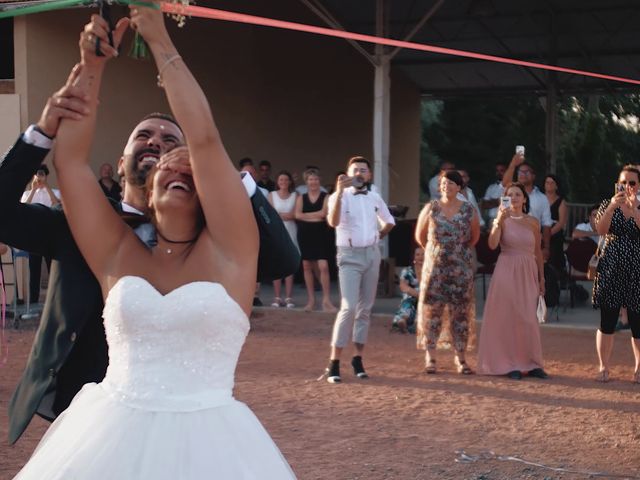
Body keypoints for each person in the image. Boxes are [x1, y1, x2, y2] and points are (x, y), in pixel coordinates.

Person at [14, 6, 296, 478]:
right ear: (146, 190)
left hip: (213, 442)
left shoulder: (232, 249)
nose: (177, 167)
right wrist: (92, 64)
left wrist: (161, 42)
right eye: (166, 166)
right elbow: (73, 164)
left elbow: (204, 138)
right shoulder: (117, 252)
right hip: (106, 431)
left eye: (188, 166)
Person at [322, 156, 395, 383]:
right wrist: (339, 192)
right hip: (349, 255)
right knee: (349, 307)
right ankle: (334, 363)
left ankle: (357, 359)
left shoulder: (374, 197)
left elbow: (389, 221)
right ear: (348, 173)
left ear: (369, 175)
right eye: (356, 170)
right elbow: (333, 222)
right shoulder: (338, 196)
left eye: (363, 170)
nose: (360, 173)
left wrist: (377, 236)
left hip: (372, 254)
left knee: (365, 309)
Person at [476, 182, 548, 380]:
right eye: (510, 195)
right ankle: (510, 364)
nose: (514, 198)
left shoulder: (533, 222)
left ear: (524, 199)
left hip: (529, 271)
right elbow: (492, 245)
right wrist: (498, 219)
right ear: (504, 199)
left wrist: (542, 278)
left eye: (518, 194)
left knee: (528, 318)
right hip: (507, 270)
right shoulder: (502, 219)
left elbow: (537, 252)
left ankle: (533, 364)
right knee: (510, 317)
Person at [415, 170, 480, 375]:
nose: (446, 186)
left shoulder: (469, 210)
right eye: (444, 183)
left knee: (460, 313)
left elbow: (474, 238)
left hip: (460, 268)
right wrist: (436, 251)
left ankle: (460, 358)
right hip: (435, 268)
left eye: (451, 183)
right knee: (432, 312)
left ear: (459, 187)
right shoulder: (431, 208)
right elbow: (420, 236)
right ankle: (430, 357)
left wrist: (456, 251)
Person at [592, 165, 640, 384]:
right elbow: (600, 230)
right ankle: (603, 366)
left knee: (638, 324)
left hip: (637, 271)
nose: (627, 187)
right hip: (612, 268)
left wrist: (635, 209)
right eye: (623, 182)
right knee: (607, 321)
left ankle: (639, 368)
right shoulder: (607, 204)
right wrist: (612, 207)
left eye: (632, 182)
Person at [295, 168, 336, 312]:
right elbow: (297, 215)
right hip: (305, 234)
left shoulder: (326, 197)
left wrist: (307, 215)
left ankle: (326, 300)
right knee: (307, 266)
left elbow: (324, 214)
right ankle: (311, 300)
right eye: (311, 179)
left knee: (323, 266)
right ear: (306, 182)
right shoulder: (301, 197)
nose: (313, 182)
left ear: (320, 181)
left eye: (316, 179)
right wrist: (314, 216)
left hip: (321, 234)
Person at [20, 164, 61, 303]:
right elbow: (23, 208)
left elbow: (57, 205)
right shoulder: (27, 194)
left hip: (51, 236)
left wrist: (46, 187)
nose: (40, 176)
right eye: (37, 173)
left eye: (42, 174)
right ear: (34, 175)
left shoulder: (55, 192)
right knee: (35, 271)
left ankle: (54, 302)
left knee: (53, 270)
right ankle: (33, 302)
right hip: (34, 236)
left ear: (47, 176)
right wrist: (33, 190)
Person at [268, 170, 299, 308]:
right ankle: (277, 297)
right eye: (281, 180)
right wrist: (284, 215)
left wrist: (282, 215)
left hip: (291, 231)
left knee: (289, 264)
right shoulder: (271, 195)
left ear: (290, 182)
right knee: (276, 264)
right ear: (277, 182)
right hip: (276, 232)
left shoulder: (295, 195)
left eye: (286, 180)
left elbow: (295, 215)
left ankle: (288, 297)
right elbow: (271, 214)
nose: (284, 182)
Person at [392, 247, 423, 334]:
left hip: (427, 298)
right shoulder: (407, 271)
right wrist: (419, 294)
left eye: (423, 254)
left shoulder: (431, 271)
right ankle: (403, 320)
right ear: (414, 257)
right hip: (413, 296)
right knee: (408, 300)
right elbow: (403, 287)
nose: (421, 257)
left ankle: (418, 324)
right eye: (418, 255)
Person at [544, 174, 568, 275]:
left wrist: (548, 234)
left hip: (554, 232)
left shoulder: (561, 202)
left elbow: (561, 222)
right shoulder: (539, 198)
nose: (549, 185)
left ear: (556, 186)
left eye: (552, 183)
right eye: (547, 182)